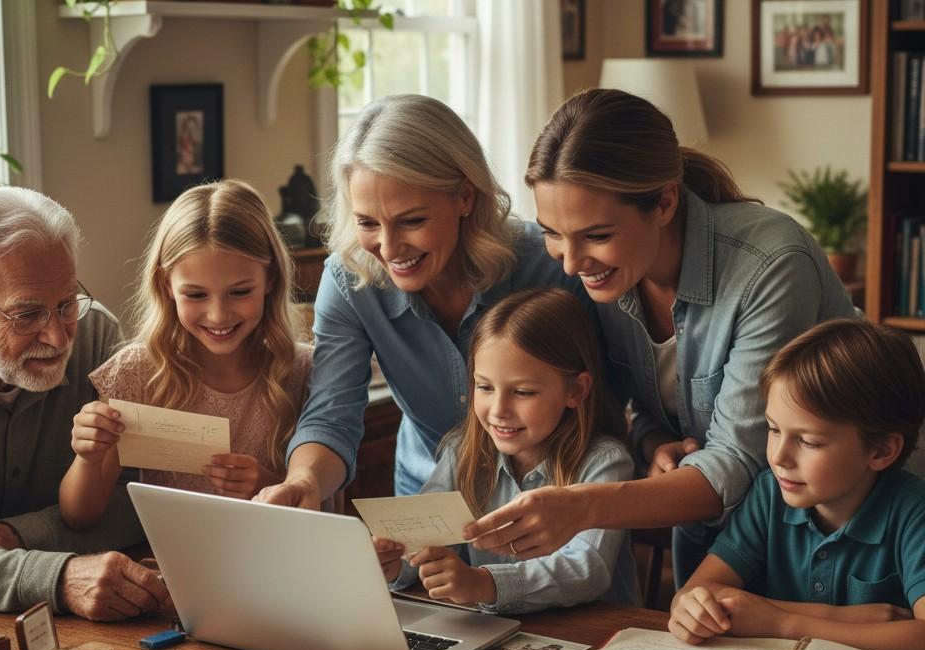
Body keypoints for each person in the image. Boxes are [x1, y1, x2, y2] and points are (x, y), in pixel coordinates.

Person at [463, 88, 856, 584]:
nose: (569, 261)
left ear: (665, 202)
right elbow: (628, 402)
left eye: (596, 235)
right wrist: (653, 441)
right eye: (553, 232)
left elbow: (737, 460)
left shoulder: (771, 264)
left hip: (846, 532)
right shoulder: (603, 273)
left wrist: (582, 507)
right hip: (723, 537)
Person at [254, 95, 592, 512]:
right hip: (429, 501)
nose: (389, 247)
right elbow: (331, 414)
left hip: (552, 502)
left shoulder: (550, 263)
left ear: (465, 197)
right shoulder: (349, 281)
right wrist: (304, 480)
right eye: (367, 223)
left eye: (411, 221)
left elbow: (608, 392)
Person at [0, 187, 168, 620]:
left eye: (66, 304)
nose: (59, 338)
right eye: (26, 315)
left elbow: (141, 496)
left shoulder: (98, 335)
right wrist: (58, 577)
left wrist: (17, 534)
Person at [668, 320, 925, 650]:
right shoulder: (769, 493)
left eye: (808, 441)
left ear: (880, 451)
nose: (778, 457)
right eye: (773, 429)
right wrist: (846, 618)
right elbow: (695, 596)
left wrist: (781, 622)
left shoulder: (914, 511)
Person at [60, 180, 311, 529]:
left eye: (240, 292)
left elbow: (326, 507)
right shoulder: (136, 373)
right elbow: (79, 516)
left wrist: (268, 483)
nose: (218, 315)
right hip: (175, 568)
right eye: (195, 295)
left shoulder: (302, 371)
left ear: (270, 279)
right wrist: (87, 456)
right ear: (166, 286)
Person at [375, 289, 636, 612]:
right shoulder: (463, 452)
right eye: (484, 387)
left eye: (523, 392)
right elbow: (426, 541)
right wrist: (397, 565)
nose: (498, 410)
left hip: (595, 638)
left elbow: (586, 569)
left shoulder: (604, 462)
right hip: (495, 634)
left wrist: (483, 583)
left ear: (576, 390)